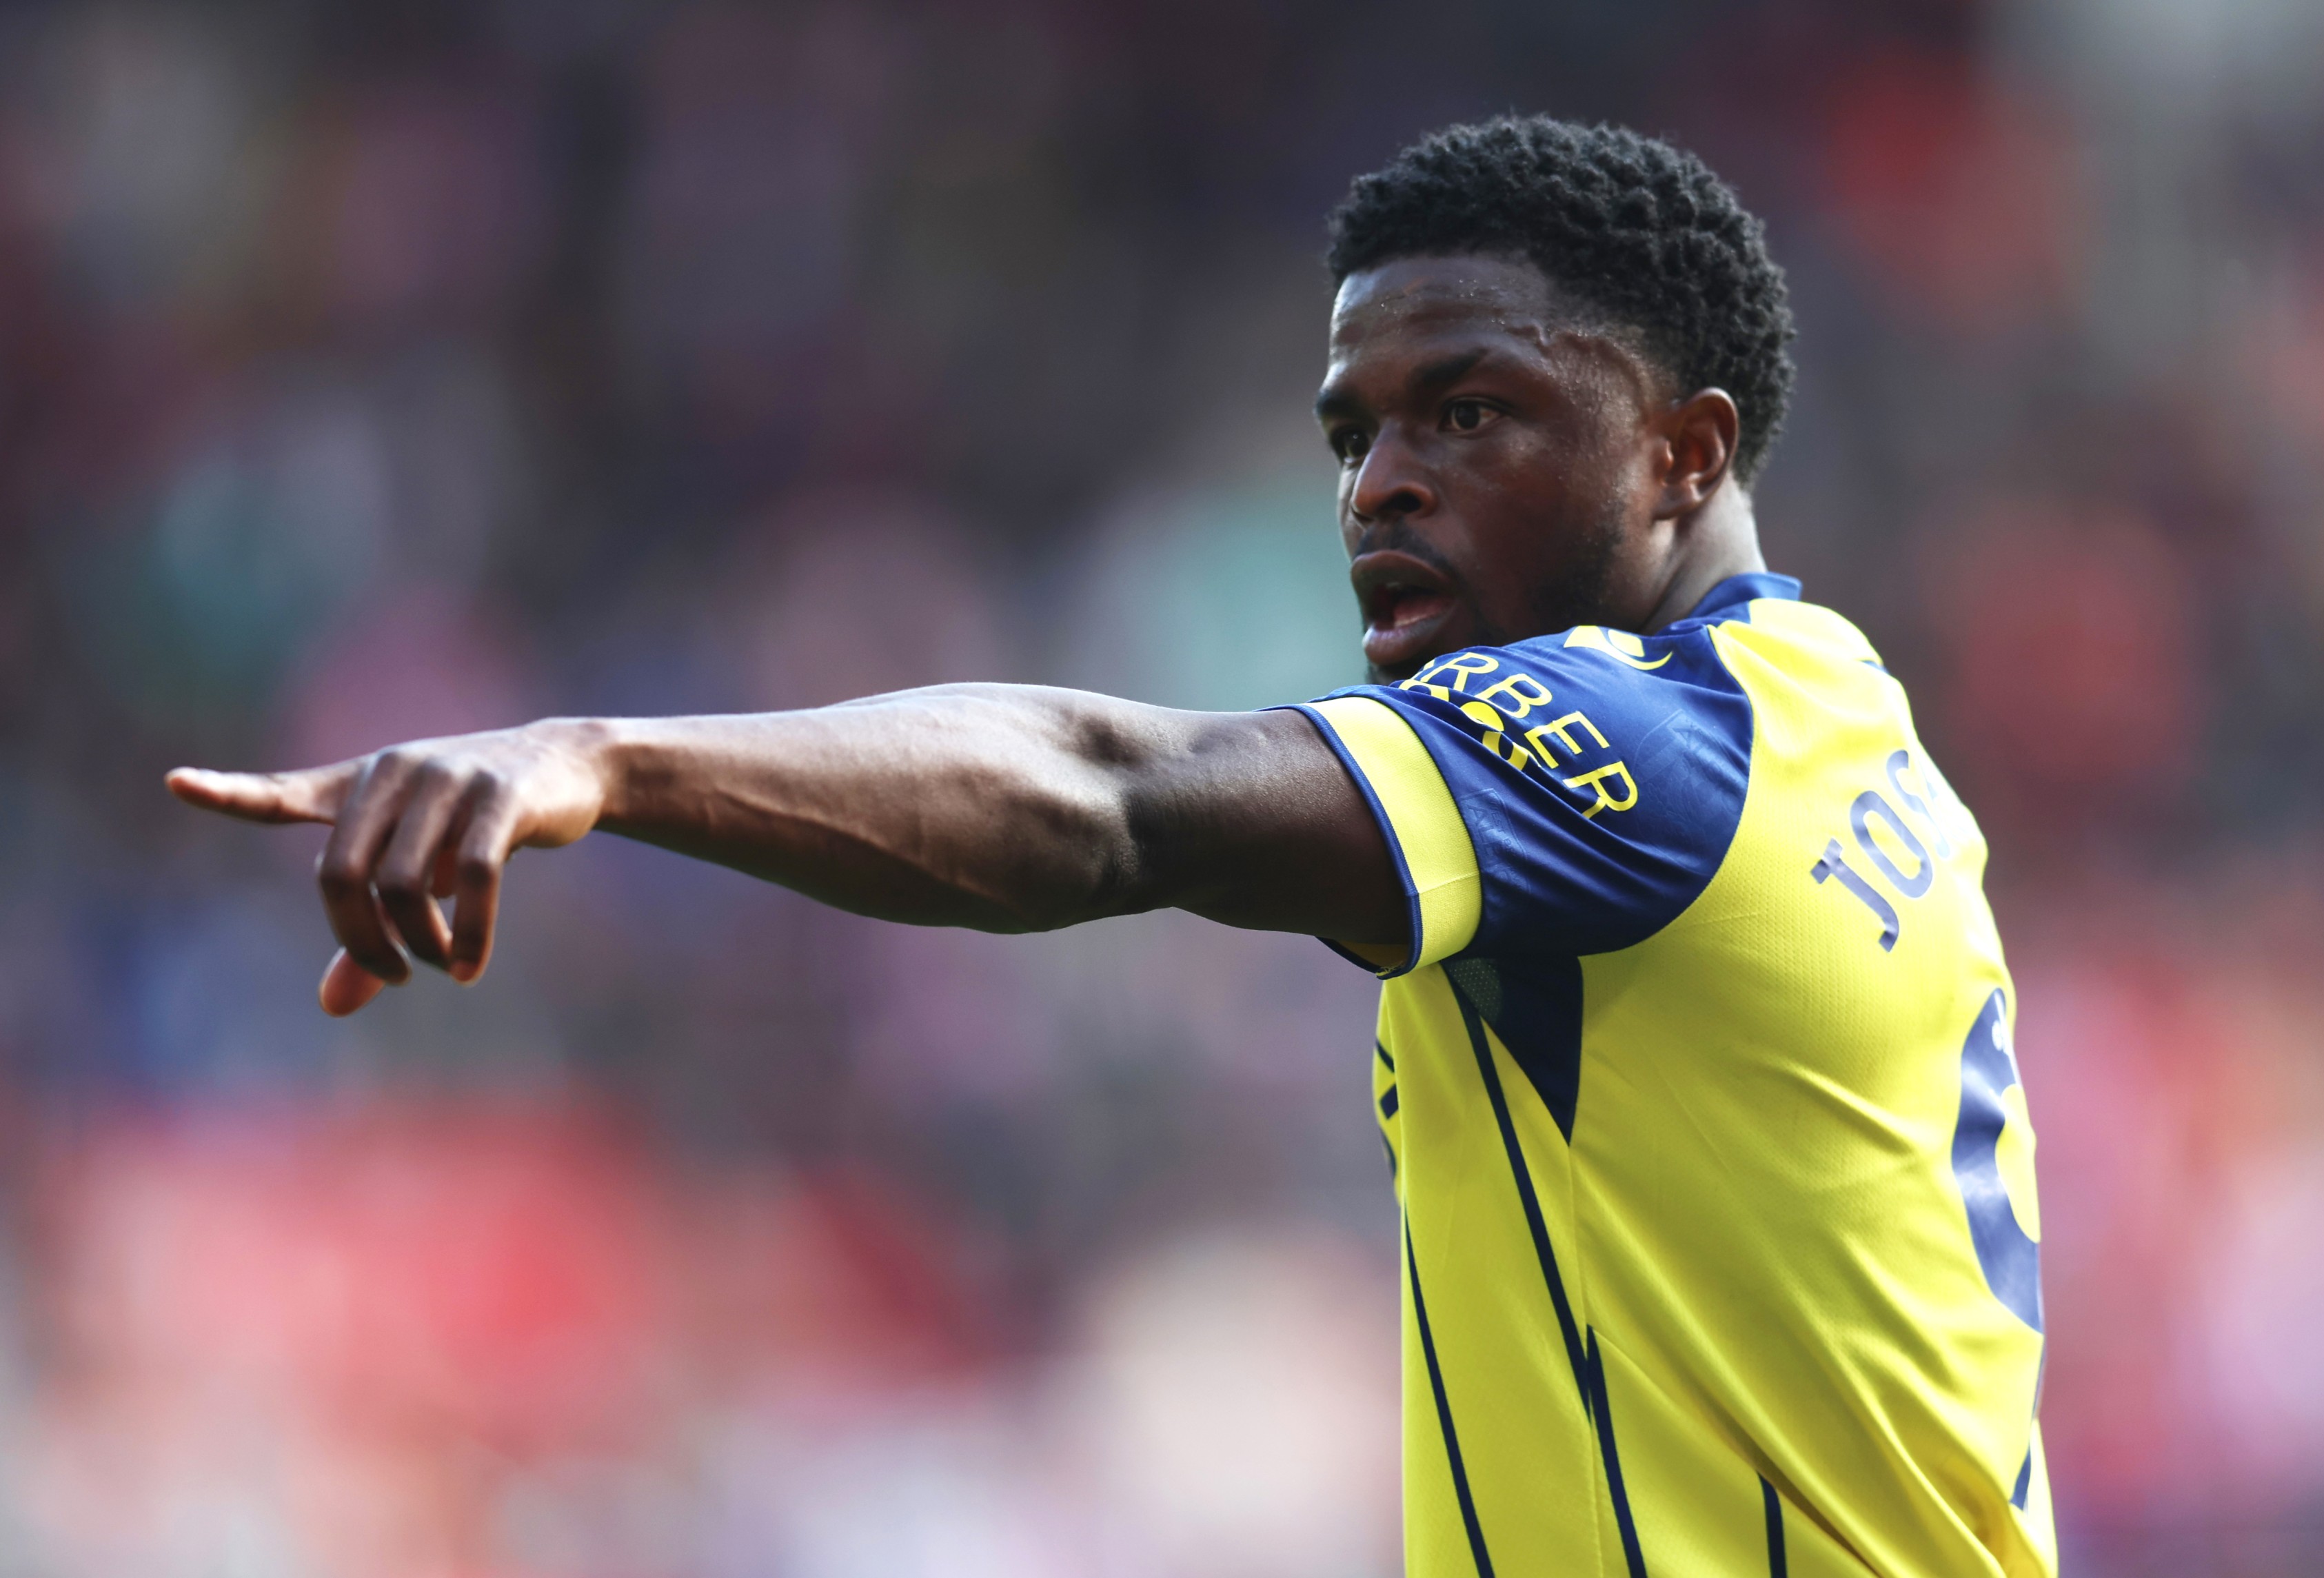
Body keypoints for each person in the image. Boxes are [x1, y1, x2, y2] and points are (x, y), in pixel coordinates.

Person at [170, 117, 2054, 1576]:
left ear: (1682, 451)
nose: (1380, 481)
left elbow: (1110, 797)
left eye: (1471, 410)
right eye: (1355, 429)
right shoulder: (1834, 717)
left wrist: (603, 757)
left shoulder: (1632, 752)